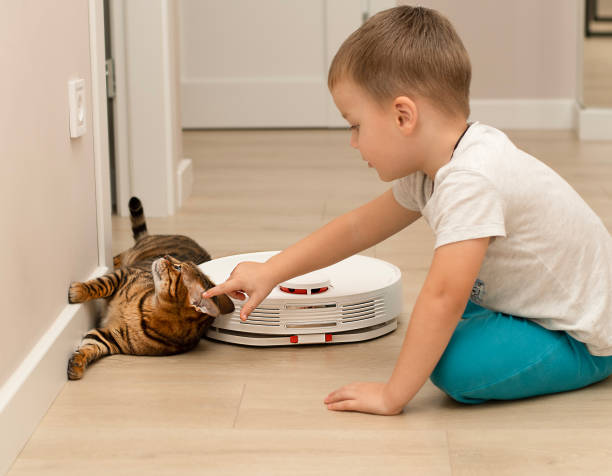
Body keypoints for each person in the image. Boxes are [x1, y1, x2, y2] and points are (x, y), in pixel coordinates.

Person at [202, 6, 612, 415]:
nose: (353, 142)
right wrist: (270, 271)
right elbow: (356, 229)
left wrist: (392, 394)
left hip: (583, 335)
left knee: (452, 369)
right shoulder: (438, 165)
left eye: (355, 125)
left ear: (403, 116)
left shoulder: (472, 180)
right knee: (439, 317)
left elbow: (444, 295)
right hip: (540, 299)